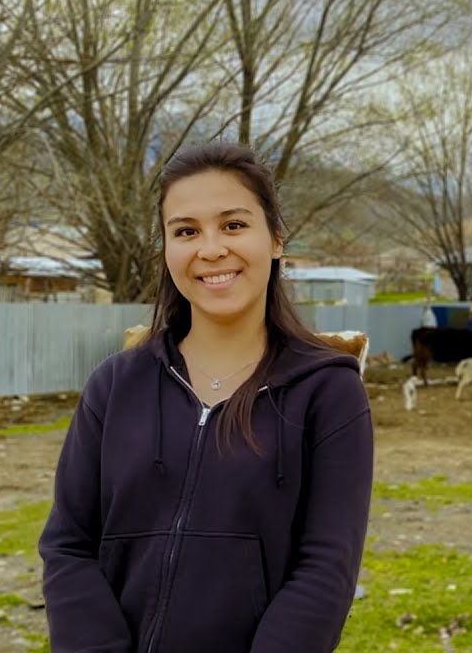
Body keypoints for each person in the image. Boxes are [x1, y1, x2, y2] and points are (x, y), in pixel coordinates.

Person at [38, 141, 374, 652]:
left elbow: (326, 566)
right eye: (186, 231)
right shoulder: (115, 385)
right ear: (168, 249)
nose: (211, 249)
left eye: (234, 225)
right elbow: (68, 544)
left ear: (277, 239)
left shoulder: (328, 390)